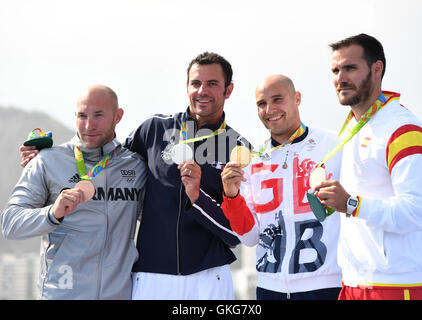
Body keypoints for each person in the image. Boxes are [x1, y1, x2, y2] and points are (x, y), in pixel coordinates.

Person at [18, 53, 248, 300]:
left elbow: (237, 234)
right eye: (195, 83)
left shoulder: (238, 147)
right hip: (151, 275)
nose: (202, 90)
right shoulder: (154, 129)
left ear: (228, 89)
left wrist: (197, 197)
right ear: (187, 87)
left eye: (212, 83)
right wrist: (49, 159)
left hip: (209, 275)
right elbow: (106, 160)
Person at [313, 33, 422, 300]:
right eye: (335, 70)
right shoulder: (355, 126)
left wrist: (352, 204)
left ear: (376, 68)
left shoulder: (403, 129)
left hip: (398, 286)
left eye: (350, 68)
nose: (340, 78)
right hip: (354, 282)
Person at [1, 85, 146, 299]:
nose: (89, 125)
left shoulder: (136, 166)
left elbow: (160, 221)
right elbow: (10, 224)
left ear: (118, 116)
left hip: (118, 295)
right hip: (62, 294)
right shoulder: (47, 161)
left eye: (98, 115)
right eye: (81, 115)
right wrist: (52, 213)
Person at [220, 74, 343, 300]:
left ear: (297, 98)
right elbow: (249, 237)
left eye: (278, 99)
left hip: (327, 285)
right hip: (270, 288)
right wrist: (231, 195)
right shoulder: (253, 160)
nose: (269, 109)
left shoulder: (334, 145)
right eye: (261, 104)